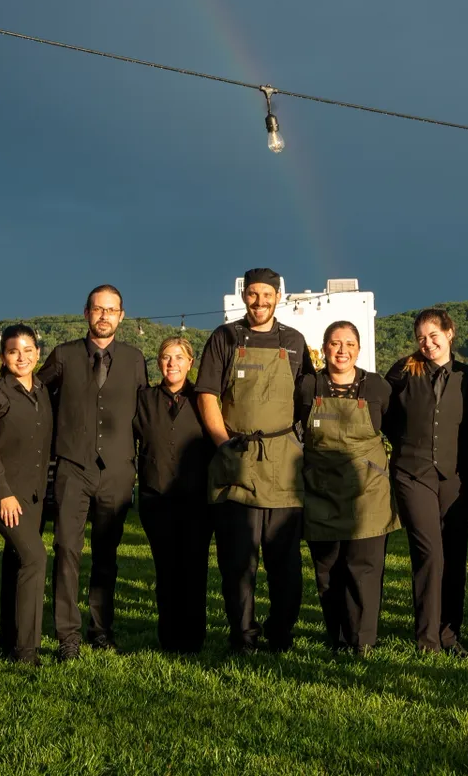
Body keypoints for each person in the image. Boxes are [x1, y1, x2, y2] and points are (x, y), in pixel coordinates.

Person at [196, 268, 315, 654]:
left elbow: (308, 399)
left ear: (278, 297)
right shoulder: (225, 337)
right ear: (244, 296)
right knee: (237, 562)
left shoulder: (295, 341)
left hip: (283, 466)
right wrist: (223, 444)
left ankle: (280, 634)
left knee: (286, 563)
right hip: (238, 461)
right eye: (252, 294)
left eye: (267, 295)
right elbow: (207, 395)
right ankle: (243, 636)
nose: (259, 302)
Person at [36, 285, 148, 660]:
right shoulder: (64, 355)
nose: (104, 316)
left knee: (106, 554)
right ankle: (67, 636)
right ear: (86, 313)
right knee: (66, 549)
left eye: (111, 310)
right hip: (72, 468)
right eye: (98, 309)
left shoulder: (135, 359)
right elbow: (32, 391)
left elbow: (146, 410)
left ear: (121, 316)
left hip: (117, 470)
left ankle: (101, 630)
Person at [296, 321, 399, 656]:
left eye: (350, 344)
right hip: (321, 490)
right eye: (335, 343)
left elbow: (397, 429)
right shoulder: (308, 386)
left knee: (363, 569)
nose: (342, 351)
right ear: (324, 348)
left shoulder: (377, 387)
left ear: (359, 349)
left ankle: (362, 641)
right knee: (328, 570)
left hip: (368, 491)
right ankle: (338, 639)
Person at [383, 308, 468, 656]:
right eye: (421, 338)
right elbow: (385, 416)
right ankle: (427, 639)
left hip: (454, 478)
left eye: (433, 335)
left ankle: (450, 634)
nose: (427, 343)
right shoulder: (403, 371)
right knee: (430, 554)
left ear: (450, 333)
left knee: (454, 556)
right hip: (412, 474)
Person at [0, 324, 54, 667]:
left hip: (34, 495)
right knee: (35, 558)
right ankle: (26, 653)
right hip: (4, 495)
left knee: (16, 561)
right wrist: (3, 492)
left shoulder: (44, 391)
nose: (21, 357)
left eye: (27, 350)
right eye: (13, 351)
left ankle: (8, 641)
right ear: (2, 356)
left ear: (38, 353)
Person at [134, 336, 215, 654]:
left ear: (190, 362)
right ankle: (169, 638)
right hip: (156, 498)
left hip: (196, 500)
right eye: (166, 357)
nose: (172, 363)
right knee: (166, 569)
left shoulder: (204, 400)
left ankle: (193, 639)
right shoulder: (144, 399)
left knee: (194, 569)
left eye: (179, 357)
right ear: (159, 362)